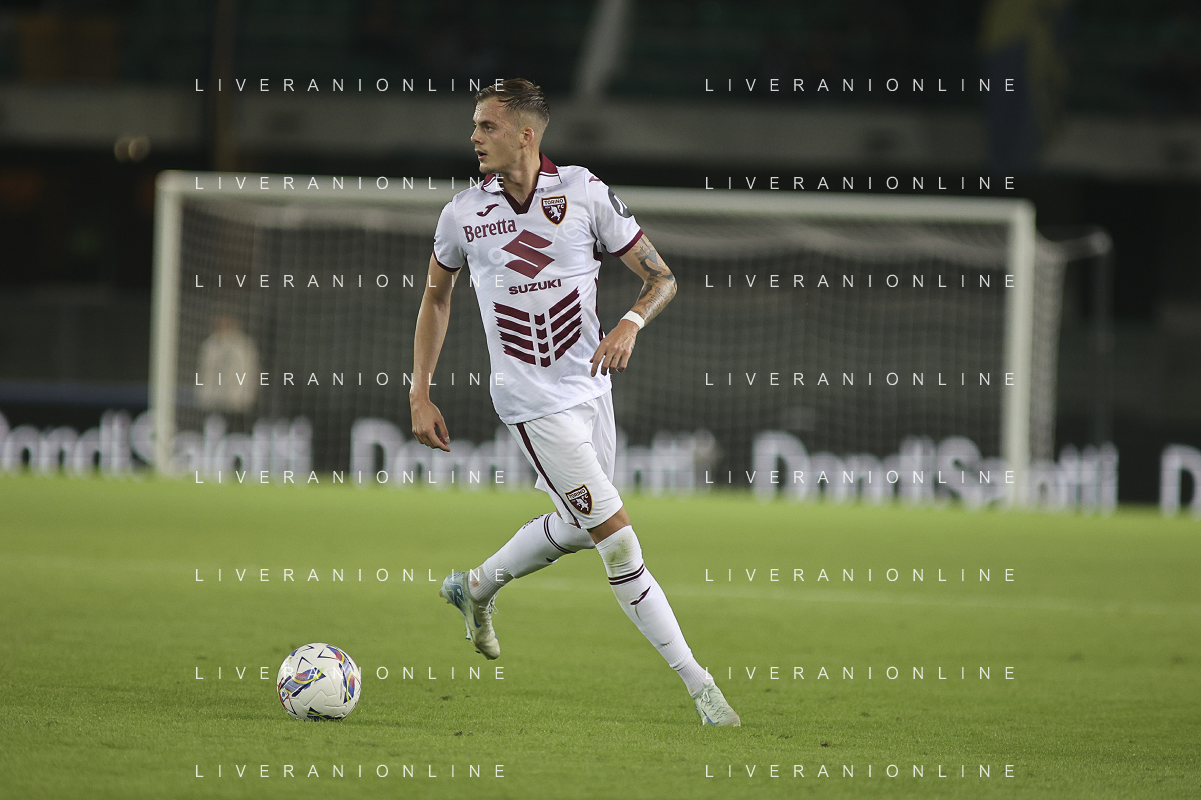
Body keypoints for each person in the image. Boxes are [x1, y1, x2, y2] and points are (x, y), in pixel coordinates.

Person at [409, 78, 739, 726]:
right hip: (530, 402)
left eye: (486, 126)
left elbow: (661, 278)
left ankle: (474, 588)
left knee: (579, 528)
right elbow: (436, 297)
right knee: (618, 542)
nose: (474, 137)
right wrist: (419, 392)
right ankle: (702, 688)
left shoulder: (584, 193)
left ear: (525, 134)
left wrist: (630, 323)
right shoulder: (462, 215)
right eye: (474, 126)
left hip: (590, 389)